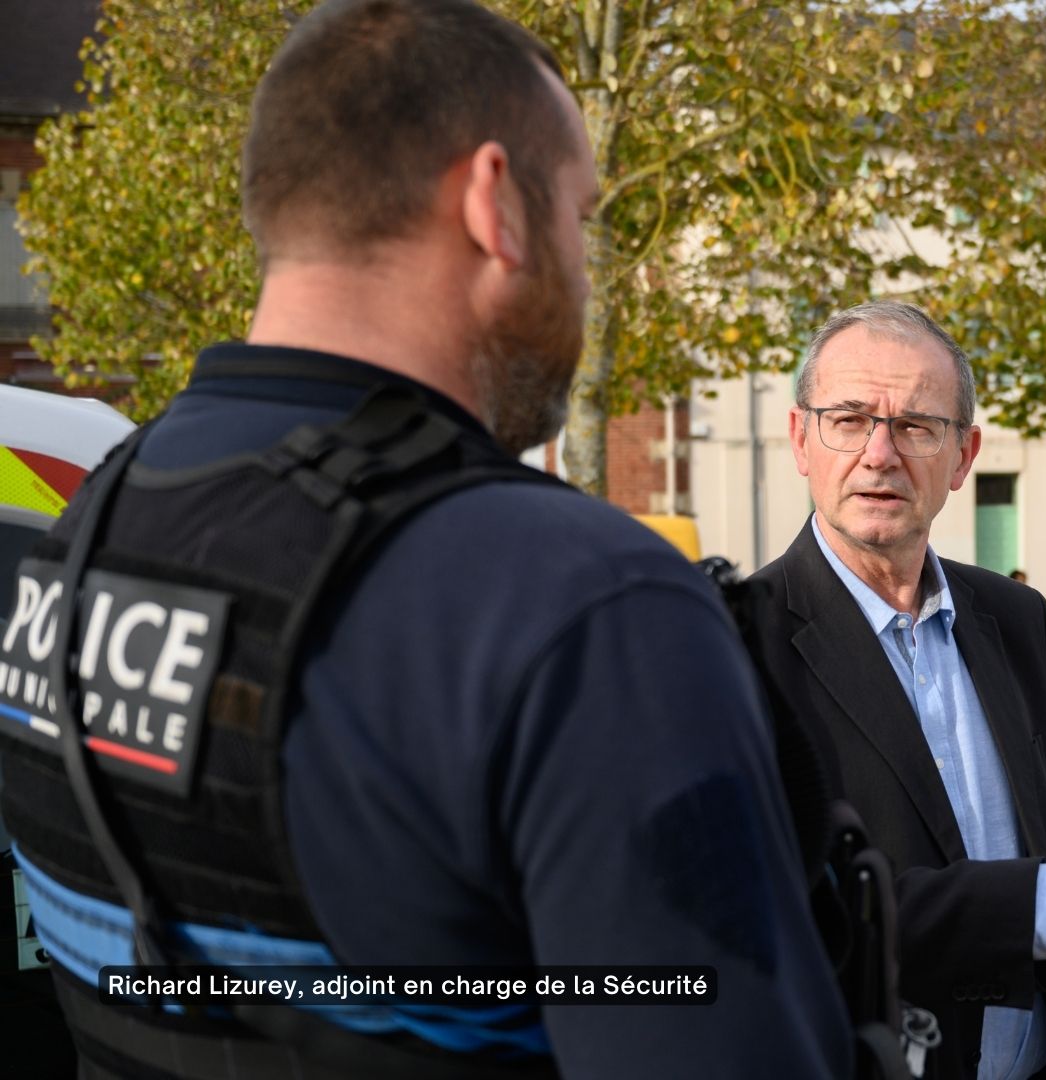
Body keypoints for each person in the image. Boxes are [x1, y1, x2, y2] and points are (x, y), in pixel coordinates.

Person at [0, 2, 849, 1077]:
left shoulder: (85, 526)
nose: (587, 272)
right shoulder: (577, 602)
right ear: (495, 201)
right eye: (583, 218)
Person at [747, 301, 1046, 1079]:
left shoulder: (1016, 618)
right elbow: (774, 908)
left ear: (963, 455)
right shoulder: (739, 645)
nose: (880, 453)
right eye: (849, 419)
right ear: (802, 439)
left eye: (916, 426)